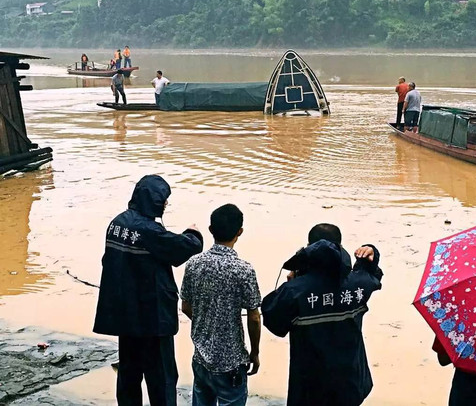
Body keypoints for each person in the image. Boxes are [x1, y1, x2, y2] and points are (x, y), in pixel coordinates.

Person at [93, 174, 204, 406]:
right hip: (153, 320)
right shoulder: (150, 231)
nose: (165, 205)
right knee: (161, 378)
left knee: (129, 375)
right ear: (155, 202)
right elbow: (188, 247)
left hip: (126, 317)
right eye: (164, 201)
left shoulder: (117, 223)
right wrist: (193, 232)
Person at [261, 224, 383, 406]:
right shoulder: (357, 285)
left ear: (308, 249)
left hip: (310, 386)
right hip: (349, 382)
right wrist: (371, 251)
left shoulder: (295, 291)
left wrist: (293, 281)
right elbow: (372, 275)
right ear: (341, 249)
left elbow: (274, 321)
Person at [181, 204, 261, 406]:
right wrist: (255, 352)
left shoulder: (193, 264)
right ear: (239, 232)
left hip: (200, 357)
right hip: (231, 362)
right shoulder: (244, 270)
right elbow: (254, 317)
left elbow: (185, 306)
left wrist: (206, 320)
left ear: (210, 230)